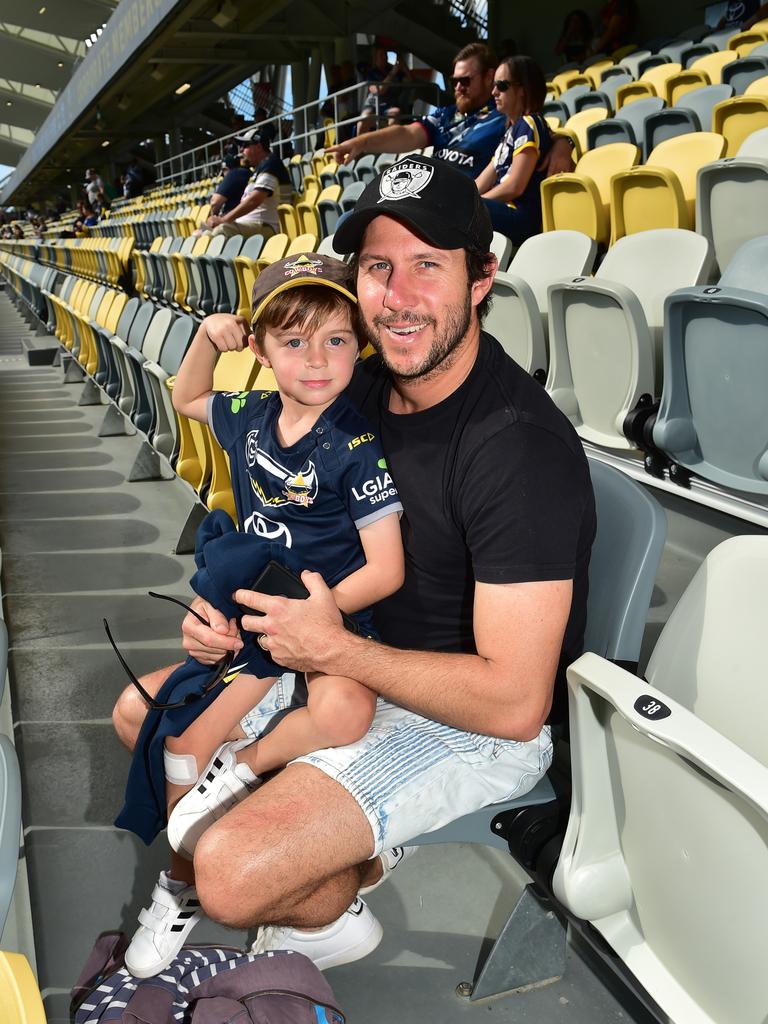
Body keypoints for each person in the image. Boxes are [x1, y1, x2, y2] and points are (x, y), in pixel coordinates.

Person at [112, 154, 596, 972]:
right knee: (138, 716)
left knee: (226, 873)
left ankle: (343, 870)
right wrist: (229, 613)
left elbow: (516, 703)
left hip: (464, 713)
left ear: (482, 279)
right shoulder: (356, 386)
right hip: (342, 657)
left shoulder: (518, 450)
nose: (398, 299)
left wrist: (331, 650)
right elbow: (284, 519)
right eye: (378, 268)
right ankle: (328, 889)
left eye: (427, 267)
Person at [118, 253, 404, 977]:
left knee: (341, 716)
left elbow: (387, 568)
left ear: (360, 345)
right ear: (263, 346)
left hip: (323, 620)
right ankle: (180, 886)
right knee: (179, 742)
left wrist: (312, 618)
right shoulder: (247, 416)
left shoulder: (353, 446)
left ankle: (244, 774)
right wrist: (210, 339)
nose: (316, 358)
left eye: (337, 340)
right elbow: (186, 398)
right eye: (294, 340)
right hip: (254, 617)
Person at [327, 42, 573, 181]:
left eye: (465, 80)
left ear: (489, 77)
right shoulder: (446, 114)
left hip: (463, 211)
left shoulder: (506, 113)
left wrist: (564, 143)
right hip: (433, 198)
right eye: (454, 80)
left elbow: (541, 135)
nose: (457, 87)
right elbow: (407, 133)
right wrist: (360, 143)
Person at [475, 56, 553, 245]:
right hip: (503, 211)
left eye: (501, 85)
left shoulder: (529, 123)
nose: (494, 92)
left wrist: (471, 204)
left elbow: (514, 186)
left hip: (521, 217)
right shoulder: (510, 130)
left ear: (522, 90)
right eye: (494, 85)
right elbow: (478, 184)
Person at [202, 127, 291, 238]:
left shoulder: (271, 164)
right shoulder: (259, 169)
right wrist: (218, 218)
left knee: (221, 232)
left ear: (258, 146)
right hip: (251, 224)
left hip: (267, 226)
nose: (241, 150)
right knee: (203, 234)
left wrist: (223, 219)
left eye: (245, 146)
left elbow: (254, 200)